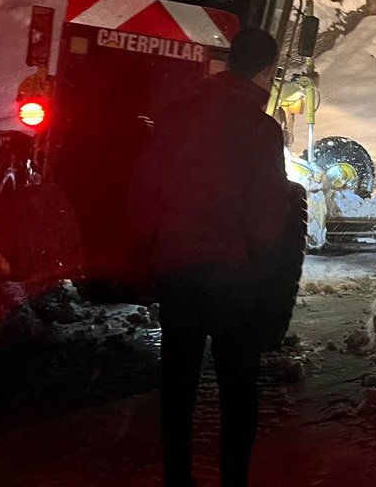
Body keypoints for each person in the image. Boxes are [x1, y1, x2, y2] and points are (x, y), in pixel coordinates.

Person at [129, 27, 307, 487]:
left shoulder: (177, 115)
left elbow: (144, 189)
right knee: (237, 392)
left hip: (180, 272)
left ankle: (177, 478)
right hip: (233, 279)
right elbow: (268, 211)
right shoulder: (262, 129)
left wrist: (155, 249)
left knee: (178, 389)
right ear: (265, 71)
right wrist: (260, 269)